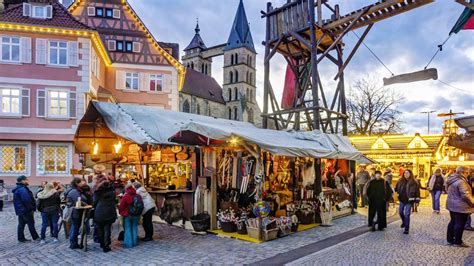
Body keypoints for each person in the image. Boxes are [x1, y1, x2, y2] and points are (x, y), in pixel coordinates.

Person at [446, 166, 474, 247]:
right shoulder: (461, 182)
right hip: (460, 206)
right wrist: (473, 202)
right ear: (462, 172)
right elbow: (465, 195)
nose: (467, 174)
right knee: (460, 224)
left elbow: (447, 189)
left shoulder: (452, 179)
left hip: (452, 204)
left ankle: (450, 240)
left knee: (453, 222)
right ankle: (457, 241)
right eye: (466, 172)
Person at [93, 176, 117, 252]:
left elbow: (94, 203)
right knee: (107, 229)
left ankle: (102, 243)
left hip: (99, 212)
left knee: (100, 229)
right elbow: (114, 201)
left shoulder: (97, 193)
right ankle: (106, 246)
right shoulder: (112, 193)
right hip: (109, 212)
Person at [12, 175, 39, 242]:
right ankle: (36, 237)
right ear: (23, 181)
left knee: (21, 224)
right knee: (31, 223)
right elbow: (26, 200)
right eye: (27, 180)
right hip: (25, 210)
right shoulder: (22, 189)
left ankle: (21, 238)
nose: (28, 181)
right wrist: (31, 208)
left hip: (21, 210)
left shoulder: (19, 188)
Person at [395, 169, 420, 234]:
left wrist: (417, 201)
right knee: (400, 212)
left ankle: (406, 228)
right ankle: (404, 222)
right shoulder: (400, 181)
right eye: (405, 173)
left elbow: (417, 192)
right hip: (402, 199)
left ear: (410, 174)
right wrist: (396, 191)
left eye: (407, 173)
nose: (406, 174)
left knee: (407, 214)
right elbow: (397, 188)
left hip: (409, 200)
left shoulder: (414, 182)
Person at [118, 183, 143, 248]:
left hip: (127, 214)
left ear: (126, 189)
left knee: (128, 228)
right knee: (134, 227)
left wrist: (121, 212)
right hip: (136, 214)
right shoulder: (138, 195)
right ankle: (135, 242)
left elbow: (121, 206)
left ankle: (129, 244)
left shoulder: (126, 196)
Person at [66, 177, 89, 249]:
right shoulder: (74, 191)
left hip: (77, 212)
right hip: (75, 212)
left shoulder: (77, 190)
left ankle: (74, 243)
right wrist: (86, 205)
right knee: (75, 227)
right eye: (81, 182)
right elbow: (78, 201)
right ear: (77, 183)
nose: (83, 183)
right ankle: (73, 243)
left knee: (75, 227)